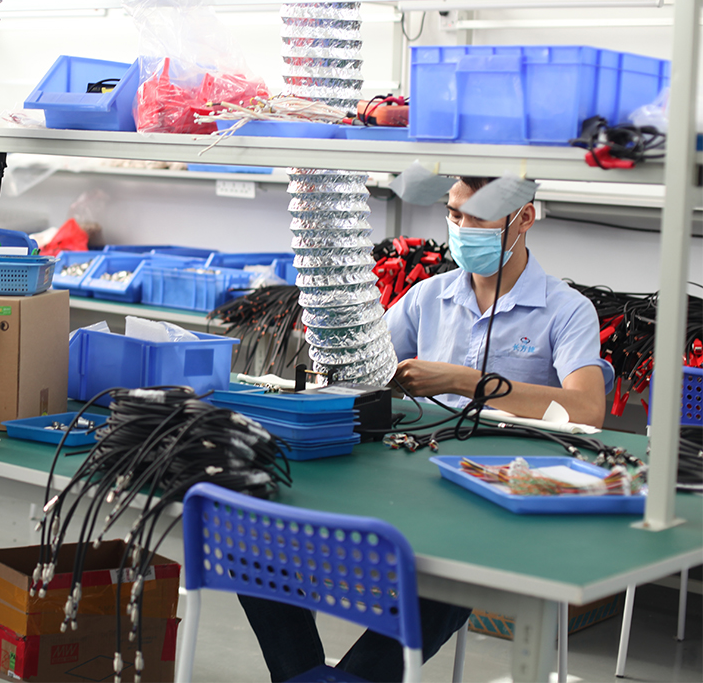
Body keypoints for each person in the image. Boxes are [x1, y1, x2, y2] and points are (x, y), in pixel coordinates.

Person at [240, 175, 613, 681]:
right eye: (455, 214)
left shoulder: (566, 310)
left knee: (447, 581)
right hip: (411, 484)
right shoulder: (427, 297)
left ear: (524, 217)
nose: (463, 227)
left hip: (498, 501)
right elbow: (353, 374)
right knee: (254, 544)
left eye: (479, 216)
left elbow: (587, 410)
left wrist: (464, 381)